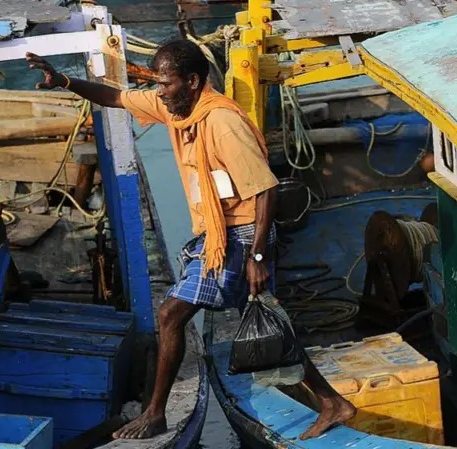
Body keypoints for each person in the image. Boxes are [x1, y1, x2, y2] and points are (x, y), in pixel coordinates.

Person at [26, 39, 356, 440]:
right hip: (215, 234)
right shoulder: (178, 111)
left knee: (171, 314)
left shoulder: (222, 122)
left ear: (194, 81)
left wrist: (256, 257)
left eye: (166, 83)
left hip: (241, 233)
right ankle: (331, 401)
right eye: (159, 84)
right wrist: (62, 79)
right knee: (263, 320)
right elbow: (115, 96)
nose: (160, 91)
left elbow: (264, 189)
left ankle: (155, 413)